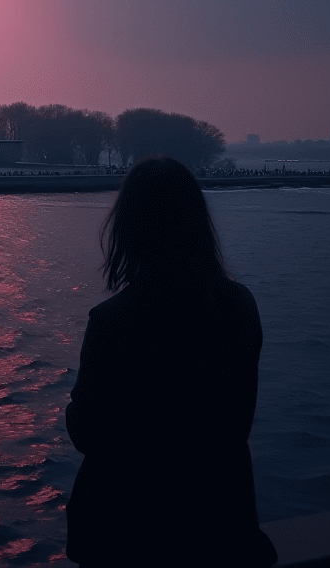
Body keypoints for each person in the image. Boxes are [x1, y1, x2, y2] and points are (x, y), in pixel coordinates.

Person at [65, 157, 278, 567]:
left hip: (127, 532)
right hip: (220, 523)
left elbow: (87, 433)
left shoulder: (113, 322)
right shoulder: (239, 306)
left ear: (129, 231)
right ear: (198, 224)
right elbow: (236, 422)